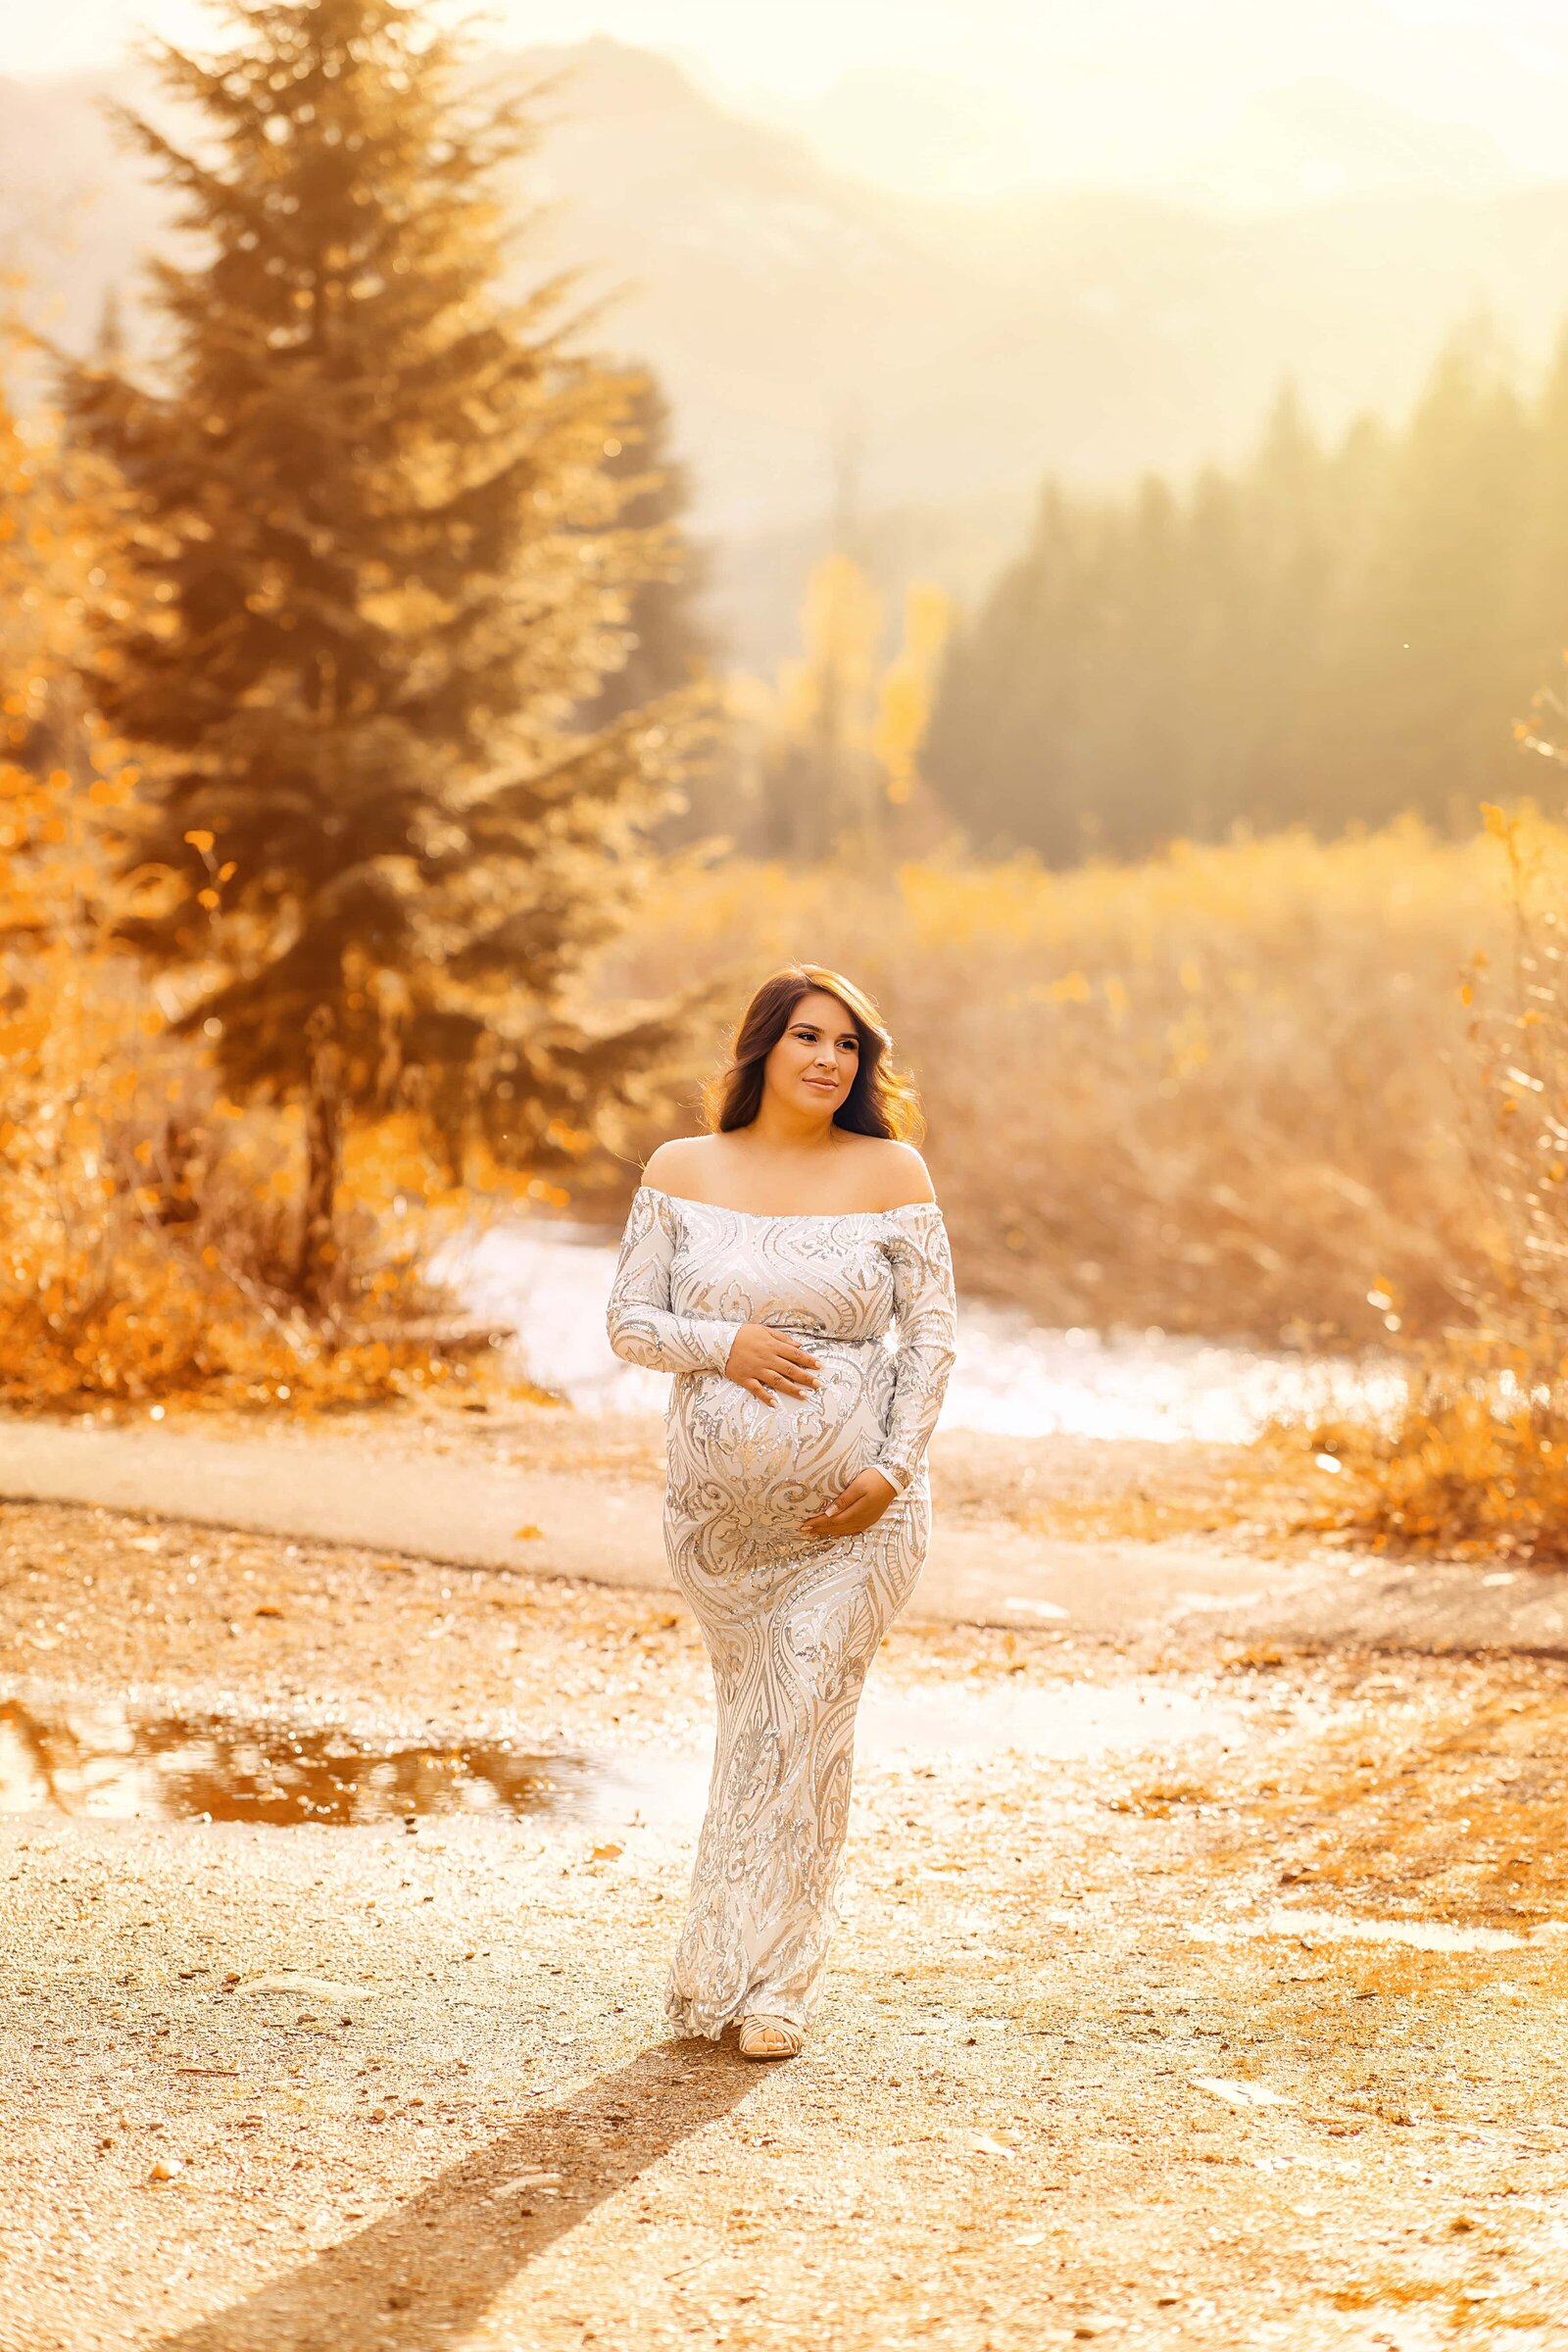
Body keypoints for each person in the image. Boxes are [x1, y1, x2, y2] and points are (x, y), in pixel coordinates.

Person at [605, 963, 957, 2060]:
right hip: (720, 1531)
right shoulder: (681, 1169)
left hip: (860, 1520)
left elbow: (931, 1340)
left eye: (848, 1047)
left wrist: (892, 1470)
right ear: (762, 1049)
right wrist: (727, 1344)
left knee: (804, 1719)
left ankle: (772, 1990)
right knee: (754, 1732)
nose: (828, 1061)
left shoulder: (890, 1170)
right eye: (808, 1038)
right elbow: (627, 1321)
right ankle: (719, 1972)